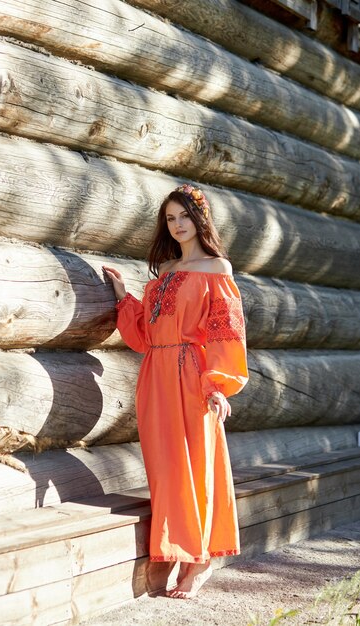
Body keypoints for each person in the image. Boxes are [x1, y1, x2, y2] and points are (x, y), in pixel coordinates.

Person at [103, 183, 249, 599]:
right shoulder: (164, 273)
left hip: (192, 376)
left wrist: (219, 386)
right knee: (165, 466)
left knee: (196, 463)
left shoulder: (218, 270)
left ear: (200, 218)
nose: (178, 224)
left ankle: (198, 557)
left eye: (184, 215)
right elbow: (145, 335)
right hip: (155, 373)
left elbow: (226, 331)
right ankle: (173, 548)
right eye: (170, 218)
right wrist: (123, 299)